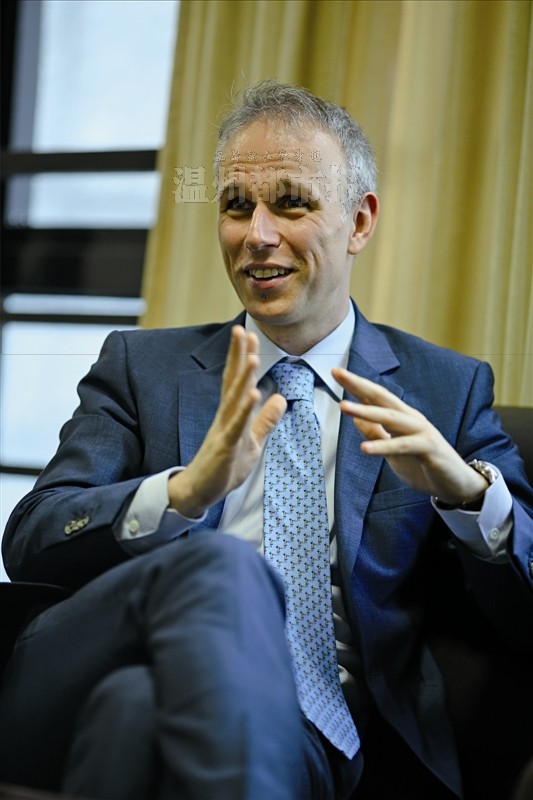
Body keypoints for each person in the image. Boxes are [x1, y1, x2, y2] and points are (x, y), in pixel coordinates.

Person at [1, 80, 532, 800]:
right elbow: (31, 538)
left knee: (133, 714)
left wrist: (467, 494)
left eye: (290, 203)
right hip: (92, 661)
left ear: (359, 222)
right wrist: (183, 495)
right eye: (235, 206)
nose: (256, 234)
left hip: (310, 736)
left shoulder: (444, 390)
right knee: (222, 569)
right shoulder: (141, 367)